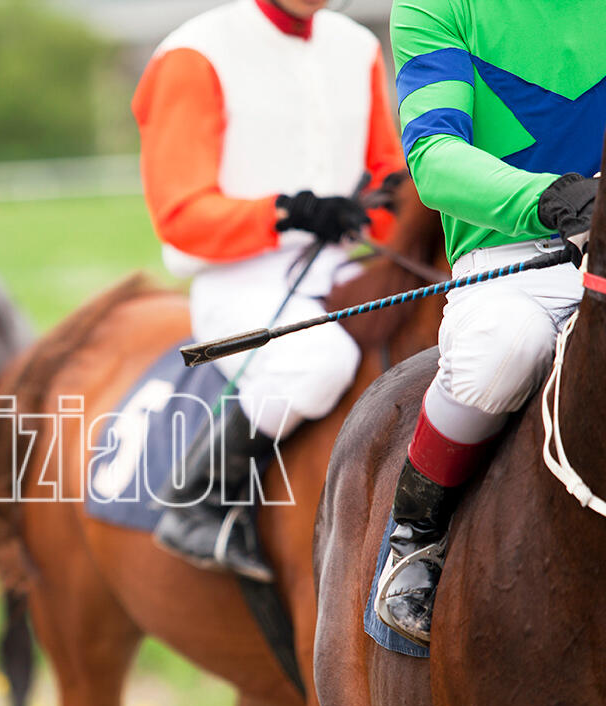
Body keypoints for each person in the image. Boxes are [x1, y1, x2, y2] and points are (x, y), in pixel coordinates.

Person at [374, 0, 606, 643]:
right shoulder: (435, 7)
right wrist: (546, 197)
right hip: (514, 254)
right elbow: (434, 156)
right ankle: (415, 539)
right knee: (503, 349)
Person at [132, 0, 405, 581]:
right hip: (238, 278)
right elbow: (180, 213)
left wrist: (375, 211)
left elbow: (388, 176)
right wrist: (289, 211)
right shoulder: (193, 52)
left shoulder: (357, 45)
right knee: (318, 361)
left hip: (341, 267)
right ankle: (196, 500)